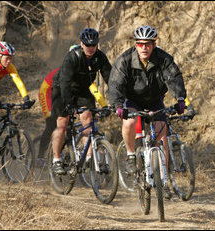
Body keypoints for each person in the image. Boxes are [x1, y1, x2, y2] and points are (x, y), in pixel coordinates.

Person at [108, 25, 187, 199]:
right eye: (141, 44)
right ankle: (130, 155)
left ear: (154, 44)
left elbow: (174, 77)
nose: (144, 47)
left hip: (154, 100)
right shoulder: (125, 60)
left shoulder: (163, 58)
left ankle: (163, 181)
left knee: (161, 138)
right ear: (136, 44)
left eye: (148, 44)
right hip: (133, 100)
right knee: (129, 122)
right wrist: (118, 106)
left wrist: (180, 99)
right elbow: (115, 84)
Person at [50, 28, 111, 175]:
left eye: (93, 45)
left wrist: (115, 101)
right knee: (62, 124)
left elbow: (111, 79)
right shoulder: (73, 57)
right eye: (87, 45)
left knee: (88, 120)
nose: (90, 48)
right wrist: (70, 105)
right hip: (62, 89)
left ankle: (89, 158)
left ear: (97, 45)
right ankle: (56, 160)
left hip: (83, 89)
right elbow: (65, 83)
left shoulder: (100, 57)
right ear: (81, 44)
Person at [37, 66, 108, 164]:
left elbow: (94, 90)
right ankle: (40, 156)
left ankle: (69, 151)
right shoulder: (65, 71)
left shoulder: (84, 74)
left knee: (70, 125)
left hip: (68, 95)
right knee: (51, 124)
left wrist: (104, 105)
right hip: (48, 92)